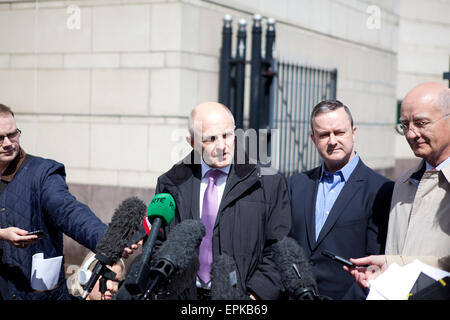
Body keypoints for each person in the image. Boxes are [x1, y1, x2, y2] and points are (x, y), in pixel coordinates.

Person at [154, 101, 291, 300]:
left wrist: (254, 296)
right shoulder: (172, 182)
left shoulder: (268, 182)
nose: (222, 146)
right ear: (192, 142)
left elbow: (280, 248)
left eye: (227, 135)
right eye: (210, 139)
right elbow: (158, 244)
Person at [346, 82, 450, 288]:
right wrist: (385, 271)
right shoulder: (403, 182)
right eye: (404, 125)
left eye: (421, 123)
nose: (411, 134)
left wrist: (399, 265)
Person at [0, 104, 109, 300]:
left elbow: (68, 211)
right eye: (0, 138)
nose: (8, 143)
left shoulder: (43, 172)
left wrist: (109, 241)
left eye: (13, 134)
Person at [288, 100, 394, 299]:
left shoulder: (381, 189)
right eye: (324, 135)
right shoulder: (296, 184)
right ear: (313, 139)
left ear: (353, 132)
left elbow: (375, 264)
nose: (332, 140)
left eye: (339, 132)